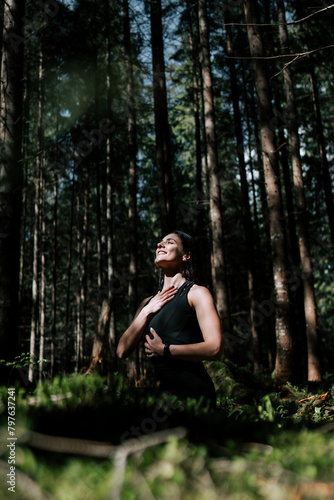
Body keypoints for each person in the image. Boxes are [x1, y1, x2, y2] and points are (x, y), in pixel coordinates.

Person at [116, 230, 223, 406]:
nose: (160, 245)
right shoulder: (147, 303)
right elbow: (122, 351)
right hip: (159, 391)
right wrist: (146, 312)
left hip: (191, 393)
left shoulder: (197, 293)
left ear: (186, 256)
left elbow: (215, 348)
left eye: (170, 242)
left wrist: (165, 350)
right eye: (160, 242)